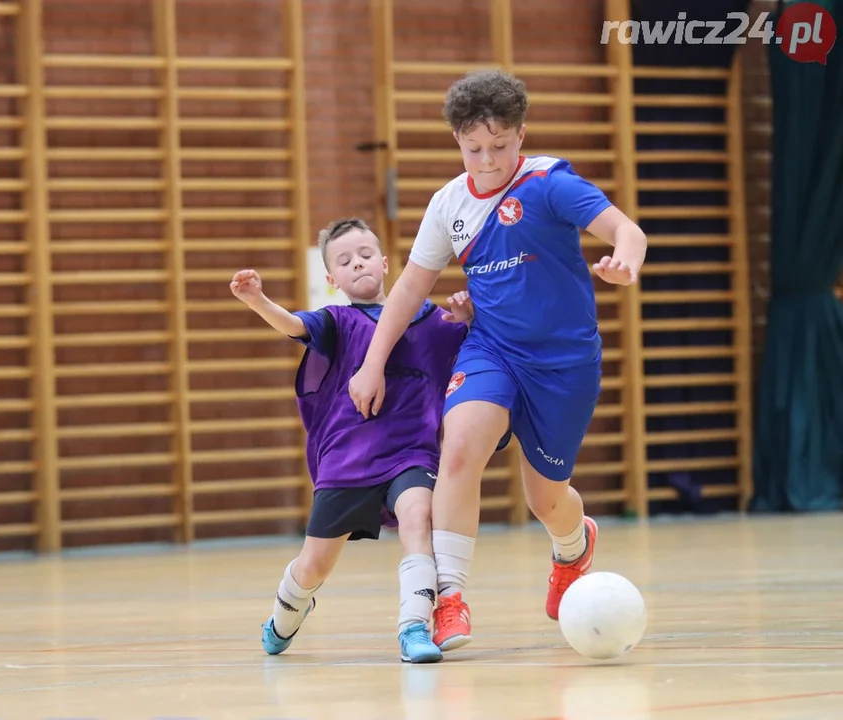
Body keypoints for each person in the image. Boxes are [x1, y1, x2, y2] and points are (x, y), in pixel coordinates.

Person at [347, 69, 648, 653]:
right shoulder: (449, 204)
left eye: (500, 146)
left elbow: (626, 230)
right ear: (458, 143)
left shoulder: (549, 183)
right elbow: (408, 288)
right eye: (473, 148)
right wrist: (372, 363)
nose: (487, 161)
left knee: (546, 499)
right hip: (491, 349)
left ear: (522, 134)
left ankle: (572, 545)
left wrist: (624, 261)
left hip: (563, 363)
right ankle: (449, 598)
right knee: (459, 447)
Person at [229, 217, 474, 663]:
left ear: (385, 263)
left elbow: (473, 351)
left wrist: (467, 318)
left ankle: (414, 628)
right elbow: (291, 325)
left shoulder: (431, 318)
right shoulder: (336, 322)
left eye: (364, 255)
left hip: (411, 455)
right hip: (347, 462)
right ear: (331, 279)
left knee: (419, 519)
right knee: (314, 565)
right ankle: (284, 616)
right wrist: (257, 300)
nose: (356, 264)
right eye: (344, 261)